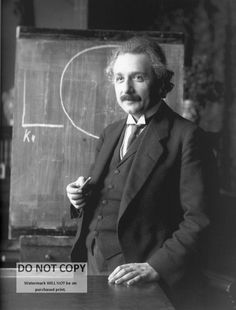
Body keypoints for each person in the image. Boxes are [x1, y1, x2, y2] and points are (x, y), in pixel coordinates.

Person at [66, 36, 215, 291]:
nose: (127, 89)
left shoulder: (187, 137)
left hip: (138, 276)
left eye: (138, 78)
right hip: (89, 264)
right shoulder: (110, 133)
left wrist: (156, 266)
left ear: (159, 81)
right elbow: (104, 197)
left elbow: (200, 219)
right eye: (120, 78)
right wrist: (78, 197)